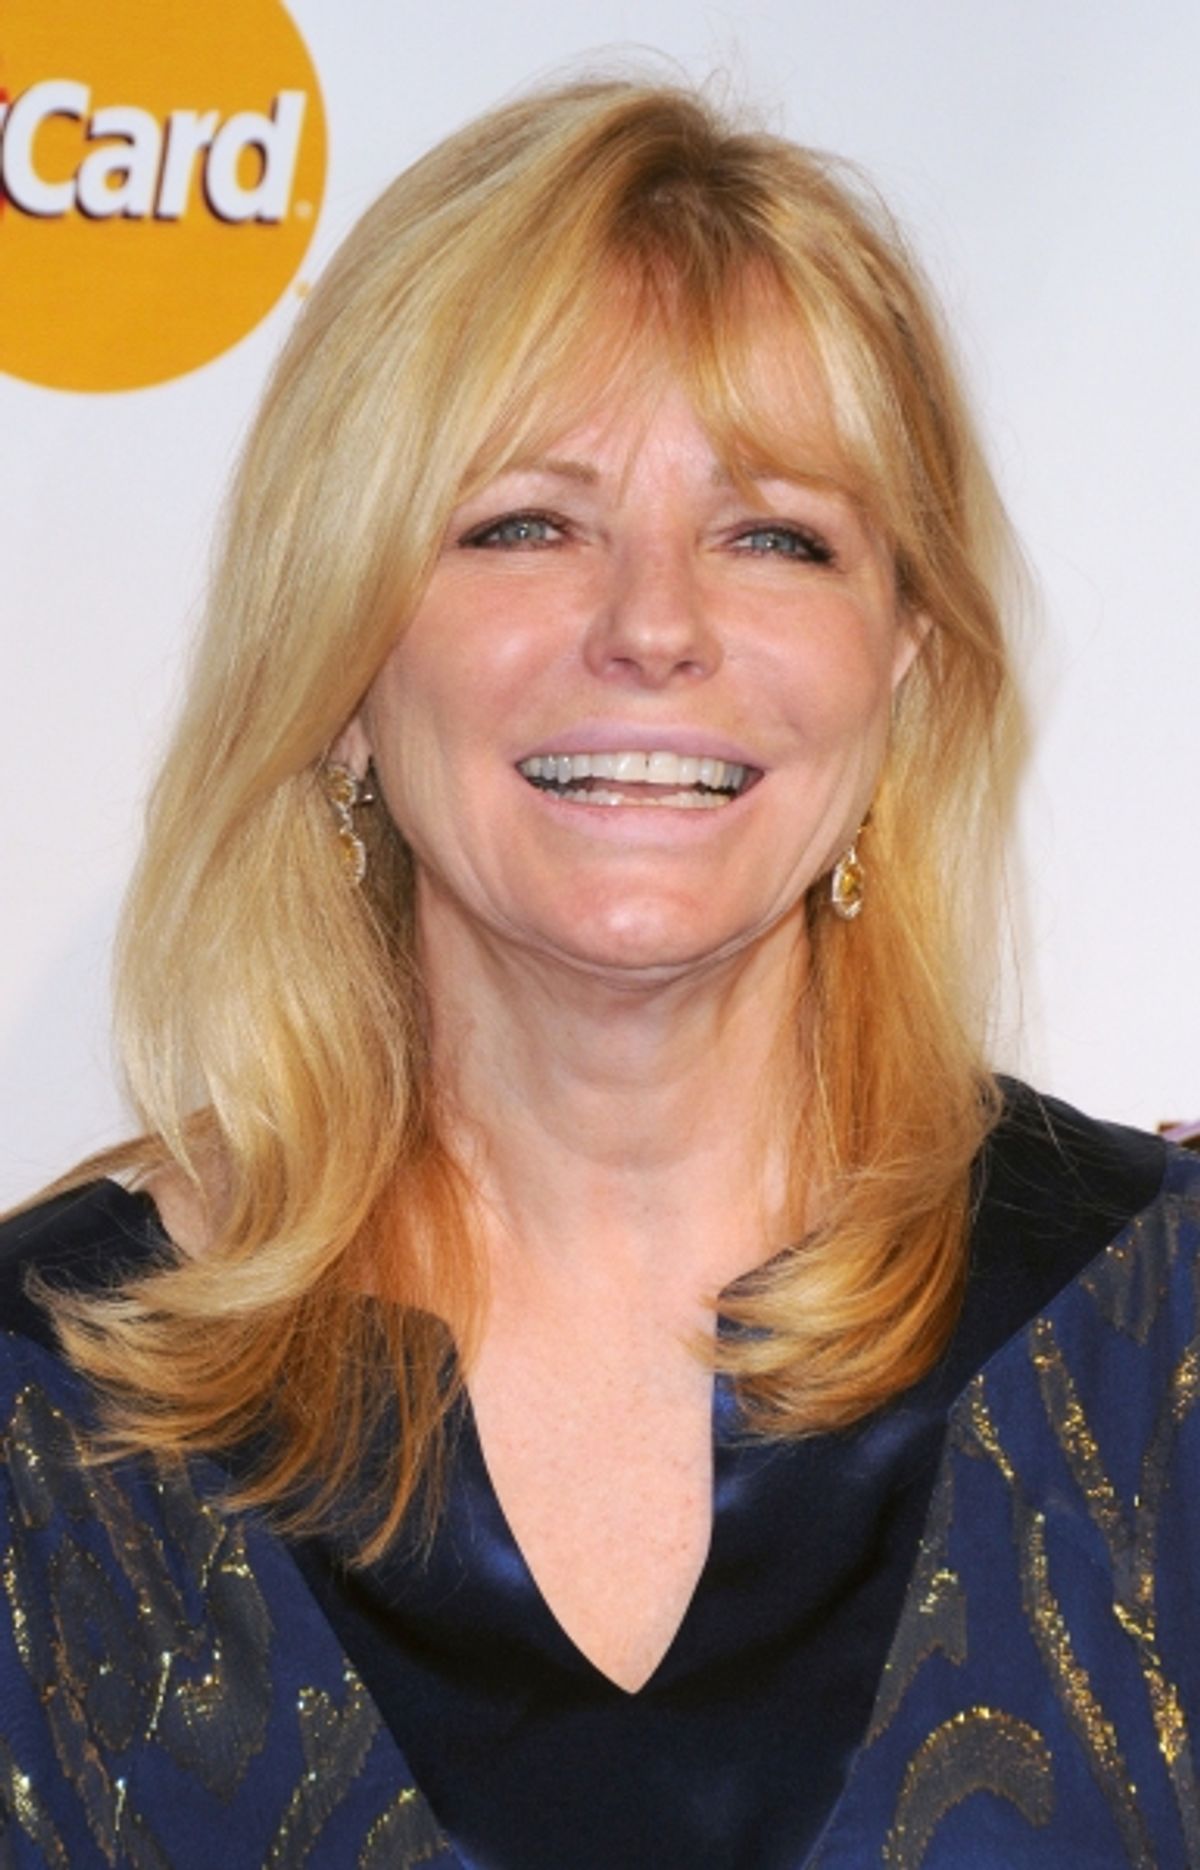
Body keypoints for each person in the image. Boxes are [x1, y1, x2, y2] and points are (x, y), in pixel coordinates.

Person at [1, 75, 1197, 1870]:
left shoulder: (1155, 1342)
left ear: (905, 673)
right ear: (341, 670)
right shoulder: (50, 1420)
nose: (653, 624)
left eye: (773, 532)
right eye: (522, 524)